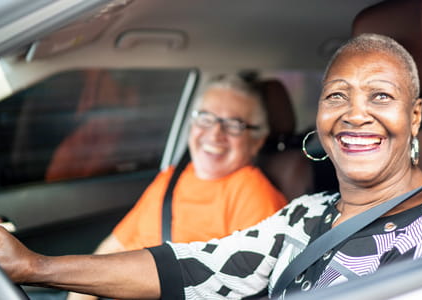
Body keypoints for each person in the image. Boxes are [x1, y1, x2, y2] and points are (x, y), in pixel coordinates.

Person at [0, 34, 422, 300]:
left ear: (413, 117)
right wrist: (36, 266)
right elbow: (199, 267)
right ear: (320, 115)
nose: (355, 114)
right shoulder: (308, 214)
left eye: (381, 96)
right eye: (337, 97)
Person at [65, 74, 287, 300]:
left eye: (233, 125)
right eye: (206, 118)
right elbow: (112, 249)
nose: (215, 134)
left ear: (257, 140)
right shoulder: (172, 177)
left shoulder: (254, 193)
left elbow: (249, 290)